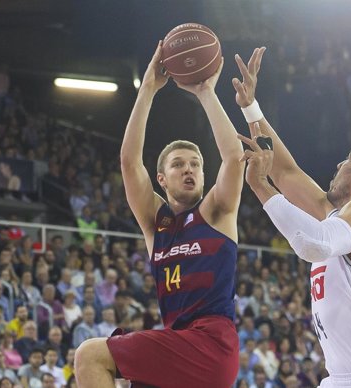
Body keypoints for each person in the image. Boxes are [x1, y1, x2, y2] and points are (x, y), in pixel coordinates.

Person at [235, 47, 351, 387]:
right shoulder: (344, 219)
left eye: (347, 159)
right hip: (345, 379)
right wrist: (250, 106)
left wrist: (260, 188)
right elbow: (286, 172)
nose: (338, 165)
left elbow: (313, 244)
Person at [74, 41, 244, 388]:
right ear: (161, 179)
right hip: (179, 345)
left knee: (90, 355)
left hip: (212, 344)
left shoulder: (217, 211)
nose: (189, 169)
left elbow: (233, 157)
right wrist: (148, 88)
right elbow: (129, 162)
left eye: (196, 164)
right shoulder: (157, 222)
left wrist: (206, 93)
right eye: (179, 164)